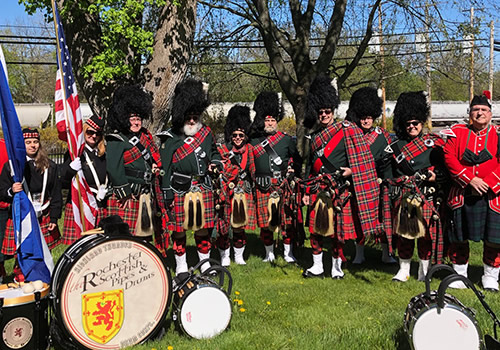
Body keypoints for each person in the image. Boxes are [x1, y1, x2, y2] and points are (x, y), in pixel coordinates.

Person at [302, 75, 380, 279]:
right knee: (316, 230)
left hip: (340, 189)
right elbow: (311, 167)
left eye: (327, 111)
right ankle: (317, 266)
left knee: (339, 232)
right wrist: (306, 191)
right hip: (318, 188)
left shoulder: (348, 130)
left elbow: (365, 162)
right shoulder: (315, 137)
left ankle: (337, 268)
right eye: (320, 112)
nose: (324, 115)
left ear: (333, 110)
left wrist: (352, 172)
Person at [159, 78, 222, 275]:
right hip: (179, 188)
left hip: (202, 186)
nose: (192, 121)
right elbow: (164, 167)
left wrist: (216, 162)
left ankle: (204, 263)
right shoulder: (170, 137)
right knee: (179, 230)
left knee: (203, 229)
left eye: (195, 116)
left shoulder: (207, 133)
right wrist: (167, 191)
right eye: (189, 117)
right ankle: (181, 266)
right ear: (181, 115)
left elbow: (214, 153)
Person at [387, 91, 447, 282]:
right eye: (408, 123)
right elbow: (388, 173)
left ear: (422, 122)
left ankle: (424, 271)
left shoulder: (433, 143)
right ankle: (403, 270)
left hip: (426, 195)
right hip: (404, 195)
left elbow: (445, 170)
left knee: (426, 237)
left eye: (416, 123)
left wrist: (433, 176)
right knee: (404, 236)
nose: (412, 127)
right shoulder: (396, 145)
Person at [443, 91, 500, 291]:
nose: (479, 113)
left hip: (492, 195)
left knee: (494, 240)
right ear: (470, 113)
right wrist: (470, 180)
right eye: (475, 110)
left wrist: (489, 182)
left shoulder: (498, 134)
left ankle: (490, 277)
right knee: (459, 237)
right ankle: (459, 275)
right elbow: (449, 158)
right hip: (461, 193)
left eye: (484, 110)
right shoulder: (456, 132)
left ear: (490, 114)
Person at [106, 85, 168, 254]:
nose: (136, 122)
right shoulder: (116, 139)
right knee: (124, 236)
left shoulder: (146, 136)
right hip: (129, 194)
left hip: (146, 193)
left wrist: (155, 166)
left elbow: (154, 158)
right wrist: (124, 192)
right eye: (132, 118)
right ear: (123, 118)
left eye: (139, 118)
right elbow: (113, 168)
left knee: (145, 234)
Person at [0, 128, 62, 282]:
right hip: (21, 216)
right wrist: (11, 190)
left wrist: (54, 218)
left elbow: (56, 194)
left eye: (35, 142)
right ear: (22, 144)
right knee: (23, 250)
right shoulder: (11, 167)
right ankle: (21, 276)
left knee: (42, 251)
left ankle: (44, 278)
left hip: (43, 214)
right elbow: (1, 191)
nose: (33, 145)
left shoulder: (50, 166)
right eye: (28, 142)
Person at [249, 91, 302, 263]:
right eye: (267, 120)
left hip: (282, 184)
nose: (270, 123)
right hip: (262, 184)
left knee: (286, 221)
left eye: (272, 120)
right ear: (262, 121)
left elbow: (297, 159)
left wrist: (293, 171)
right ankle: (269, 253)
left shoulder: (286, 140)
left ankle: (288, 253)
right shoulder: (254, 140)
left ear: (277, 121)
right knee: (266, 223)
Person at [345, 87, 396, 264]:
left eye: (369, 116)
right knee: (357, 219)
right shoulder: (351, 136)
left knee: (382, 219)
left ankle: (386, 253)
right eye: (362, 116)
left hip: (379, 184)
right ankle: (359, 253)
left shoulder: (383, 137)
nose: (366, 120)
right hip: (357, 185)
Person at [216, 105, 257, 266]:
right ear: (230, 135)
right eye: (234, 135)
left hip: (243, 191)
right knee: (224, 226)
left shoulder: (250, 150)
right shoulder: (223, 150)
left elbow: (253, 171)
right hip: (227, 191)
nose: (238, 138)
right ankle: (225, 256)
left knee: (240, 226)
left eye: (241, 135)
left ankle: (239, 255)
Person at [60, 114, 108, 245]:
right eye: (90, 132)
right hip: (80, 204)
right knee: (79, 248)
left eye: (97, 133)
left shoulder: (103, 154)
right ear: (84, 131)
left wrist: (106, 190)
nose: (94, 136)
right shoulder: (74, 153)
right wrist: (70, 169)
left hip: (100, 203)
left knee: (99, 246)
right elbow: (63, 183)